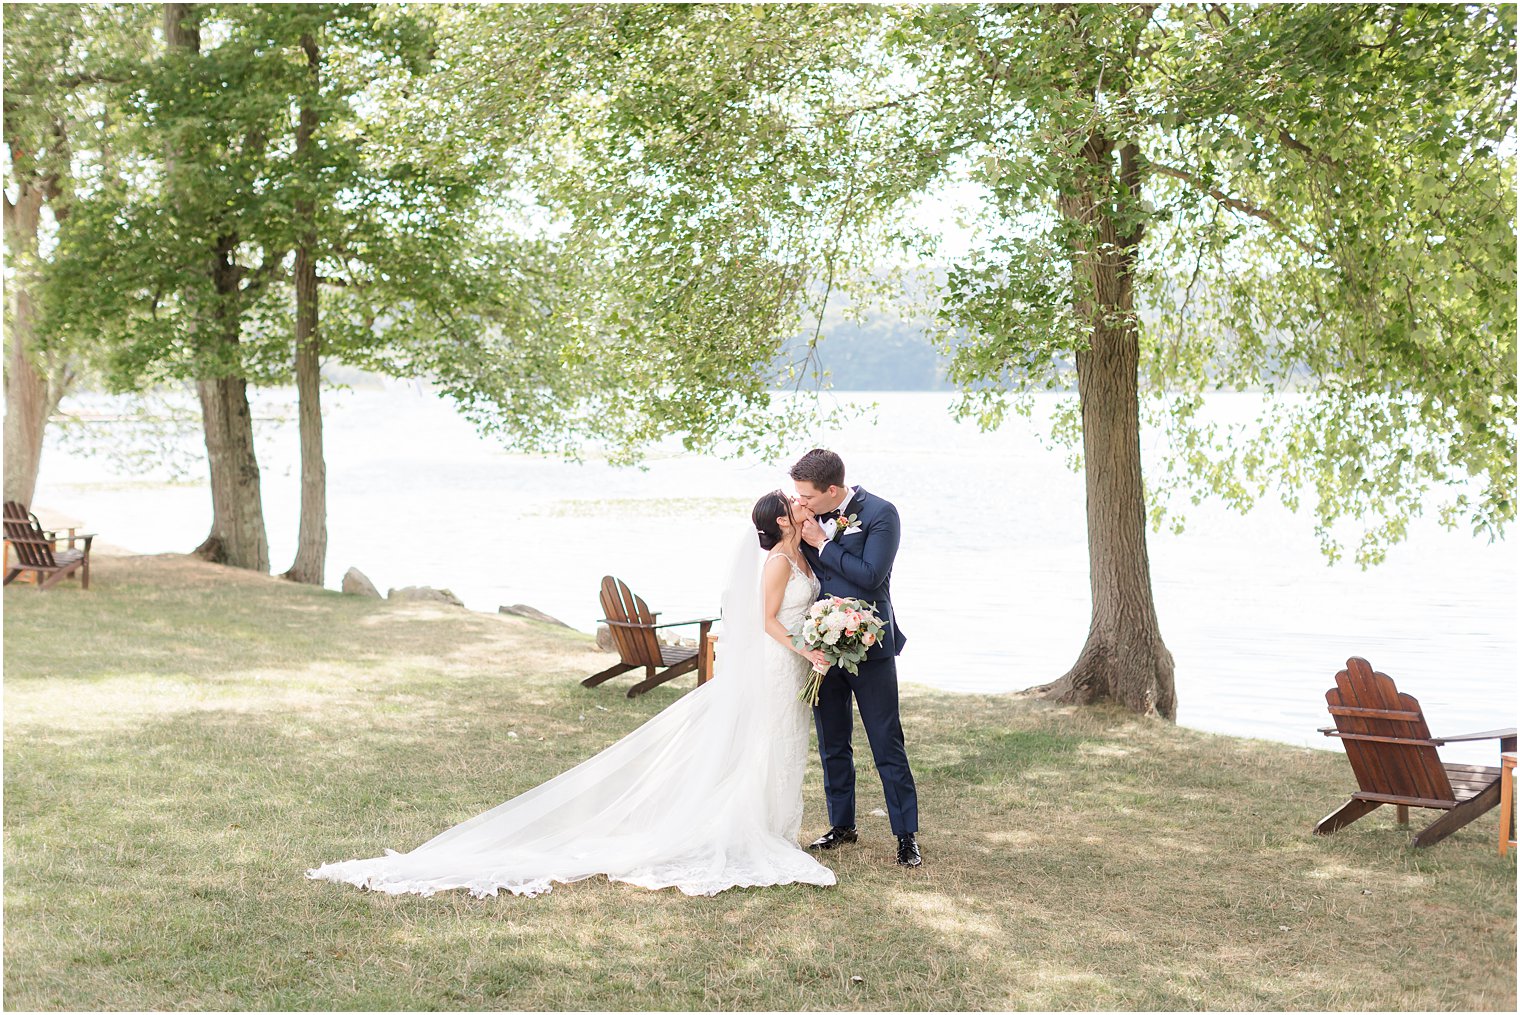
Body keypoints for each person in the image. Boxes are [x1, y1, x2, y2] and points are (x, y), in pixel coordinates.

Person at [306, 491, 837, 898]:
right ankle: (755, 827)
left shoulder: (802, 556)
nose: (801, 508)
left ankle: (775, 826)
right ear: (780, 522)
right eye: (794, 507)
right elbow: (765, 620)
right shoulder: (773, 563)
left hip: (792, 663)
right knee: (765, 742)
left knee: (785, 740)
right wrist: (807, 650)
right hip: (776, 661)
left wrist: (818, 631)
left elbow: (801, 603)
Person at [790, 448, 921, 868]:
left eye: (807, 496)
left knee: (887, 742)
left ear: (832, 490)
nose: (801, 504)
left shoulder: (882, 513)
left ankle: (906, 836)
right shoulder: (805, 517)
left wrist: (823, 544)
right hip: (822, 648)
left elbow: (871, 574)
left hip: (872, 646)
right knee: (832, 742)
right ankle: (841, 825)